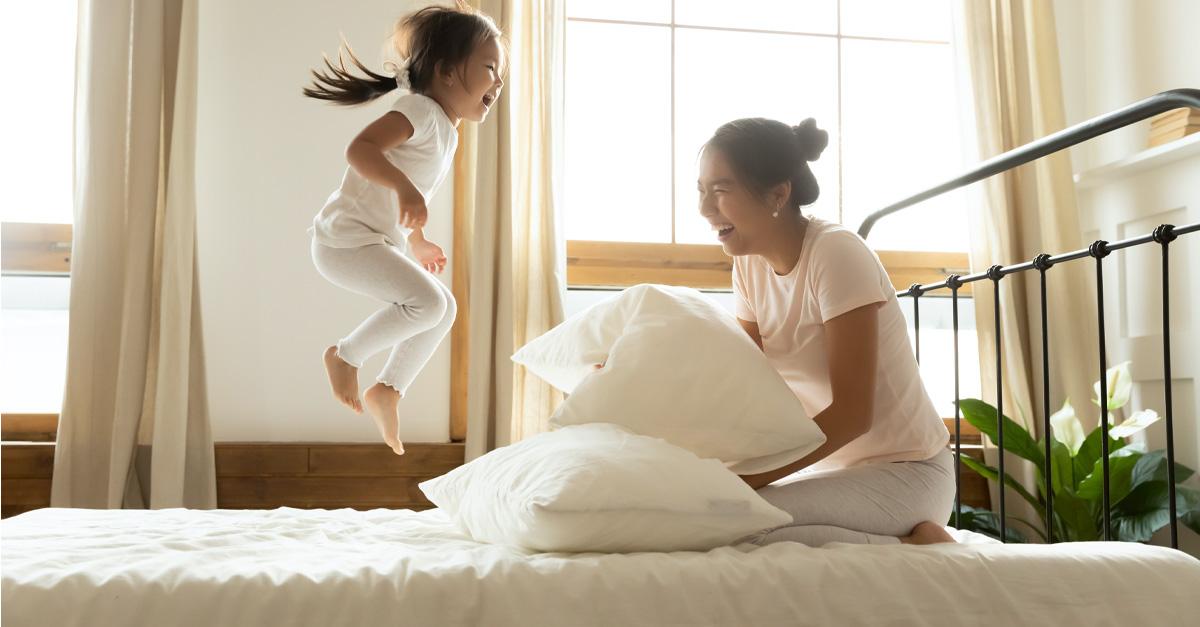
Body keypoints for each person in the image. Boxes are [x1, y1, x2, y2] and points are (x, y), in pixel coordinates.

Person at [697, 117, 956, 546]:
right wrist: (642, 369)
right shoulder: (749, 263)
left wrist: (751, 478)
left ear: (779, 193)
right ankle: (904, 544)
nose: (705, 208)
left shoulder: (836, 253)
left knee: (741, 528)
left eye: (720, 191)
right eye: (702, 191)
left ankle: (917, 545)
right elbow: (741, 377)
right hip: (834, 472)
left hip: (908, 473)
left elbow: (853, 414)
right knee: (713, 516)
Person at [304, 4, 504, 455]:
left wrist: (416, 238)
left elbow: (407, 197)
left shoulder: (445, 130)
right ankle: (346, 355)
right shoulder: (419, 109)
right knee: (429, 303)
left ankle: (389, 390)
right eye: (490, 67)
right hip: (343, 242)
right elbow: (360, 149)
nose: (499, 82)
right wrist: (404, 188)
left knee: (443, 308)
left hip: (367, 241)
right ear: (448, 72)